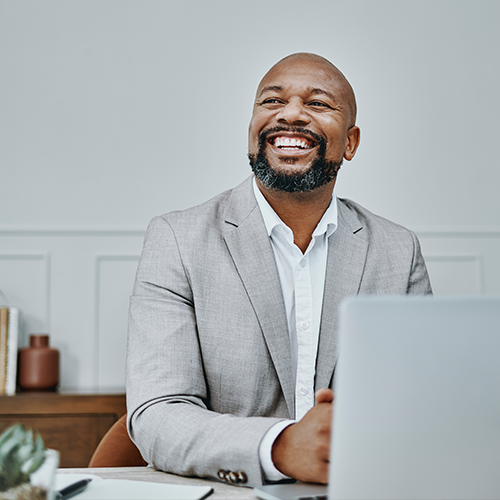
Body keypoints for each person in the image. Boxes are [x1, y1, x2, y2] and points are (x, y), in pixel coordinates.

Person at [126, 52, 432, 488]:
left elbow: (421, 403)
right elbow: (156, 415)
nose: (290, 114)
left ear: (350, 142)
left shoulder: (398, 251)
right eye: (271, 102)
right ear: (252, 131)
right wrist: (281, 446)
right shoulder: (177, 240)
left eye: (318, 104)